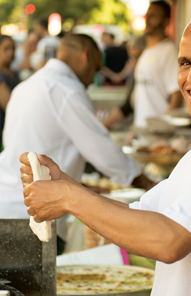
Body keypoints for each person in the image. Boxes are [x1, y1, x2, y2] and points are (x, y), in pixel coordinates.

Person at [20, 12, 191, 295]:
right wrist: (64, 183)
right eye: (185, 63)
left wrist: (70, 198)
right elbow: (138, 217)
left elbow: (168, 241)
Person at [0, 33, 153, 255]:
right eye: (96, 69)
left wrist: (81, 187)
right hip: (30, 217)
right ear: (86, 56)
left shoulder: (30, 84)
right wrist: (147, 184)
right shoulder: (66, 89)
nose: (93, 79)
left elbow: (41, 145)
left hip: (9, 205)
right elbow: (102, 149)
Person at [133, 0, 182, 128]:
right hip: (142, 129)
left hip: (158, 132)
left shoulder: (170, 51)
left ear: (166, 21)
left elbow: (177, 96)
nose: (147, 20)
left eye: (153, 16)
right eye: (147, 15)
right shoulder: (146, 52)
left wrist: (161, 128)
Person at [101, 35, 147, 129]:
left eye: (137, 57)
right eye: (132, 57)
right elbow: (127, 106)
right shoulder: (138, 74)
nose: (134, 62)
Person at [0, 35, 20, 151]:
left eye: (13, 48)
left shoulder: (14, 72)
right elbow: (9, 106)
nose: (11, 52)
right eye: (6, 49)